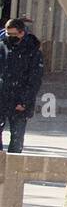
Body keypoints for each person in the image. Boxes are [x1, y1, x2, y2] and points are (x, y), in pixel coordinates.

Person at [0, 18, 45, 153]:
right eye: (8, 34)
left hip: (20, 101)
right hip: (2, 97)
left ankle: (12, 168)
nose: (9, 37)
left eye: (13, 34)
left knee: (17, 138)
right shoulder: (2, 47)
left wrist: (24, 101)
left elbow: (34, 80)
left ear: (21, 33)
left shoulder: (33, 51)